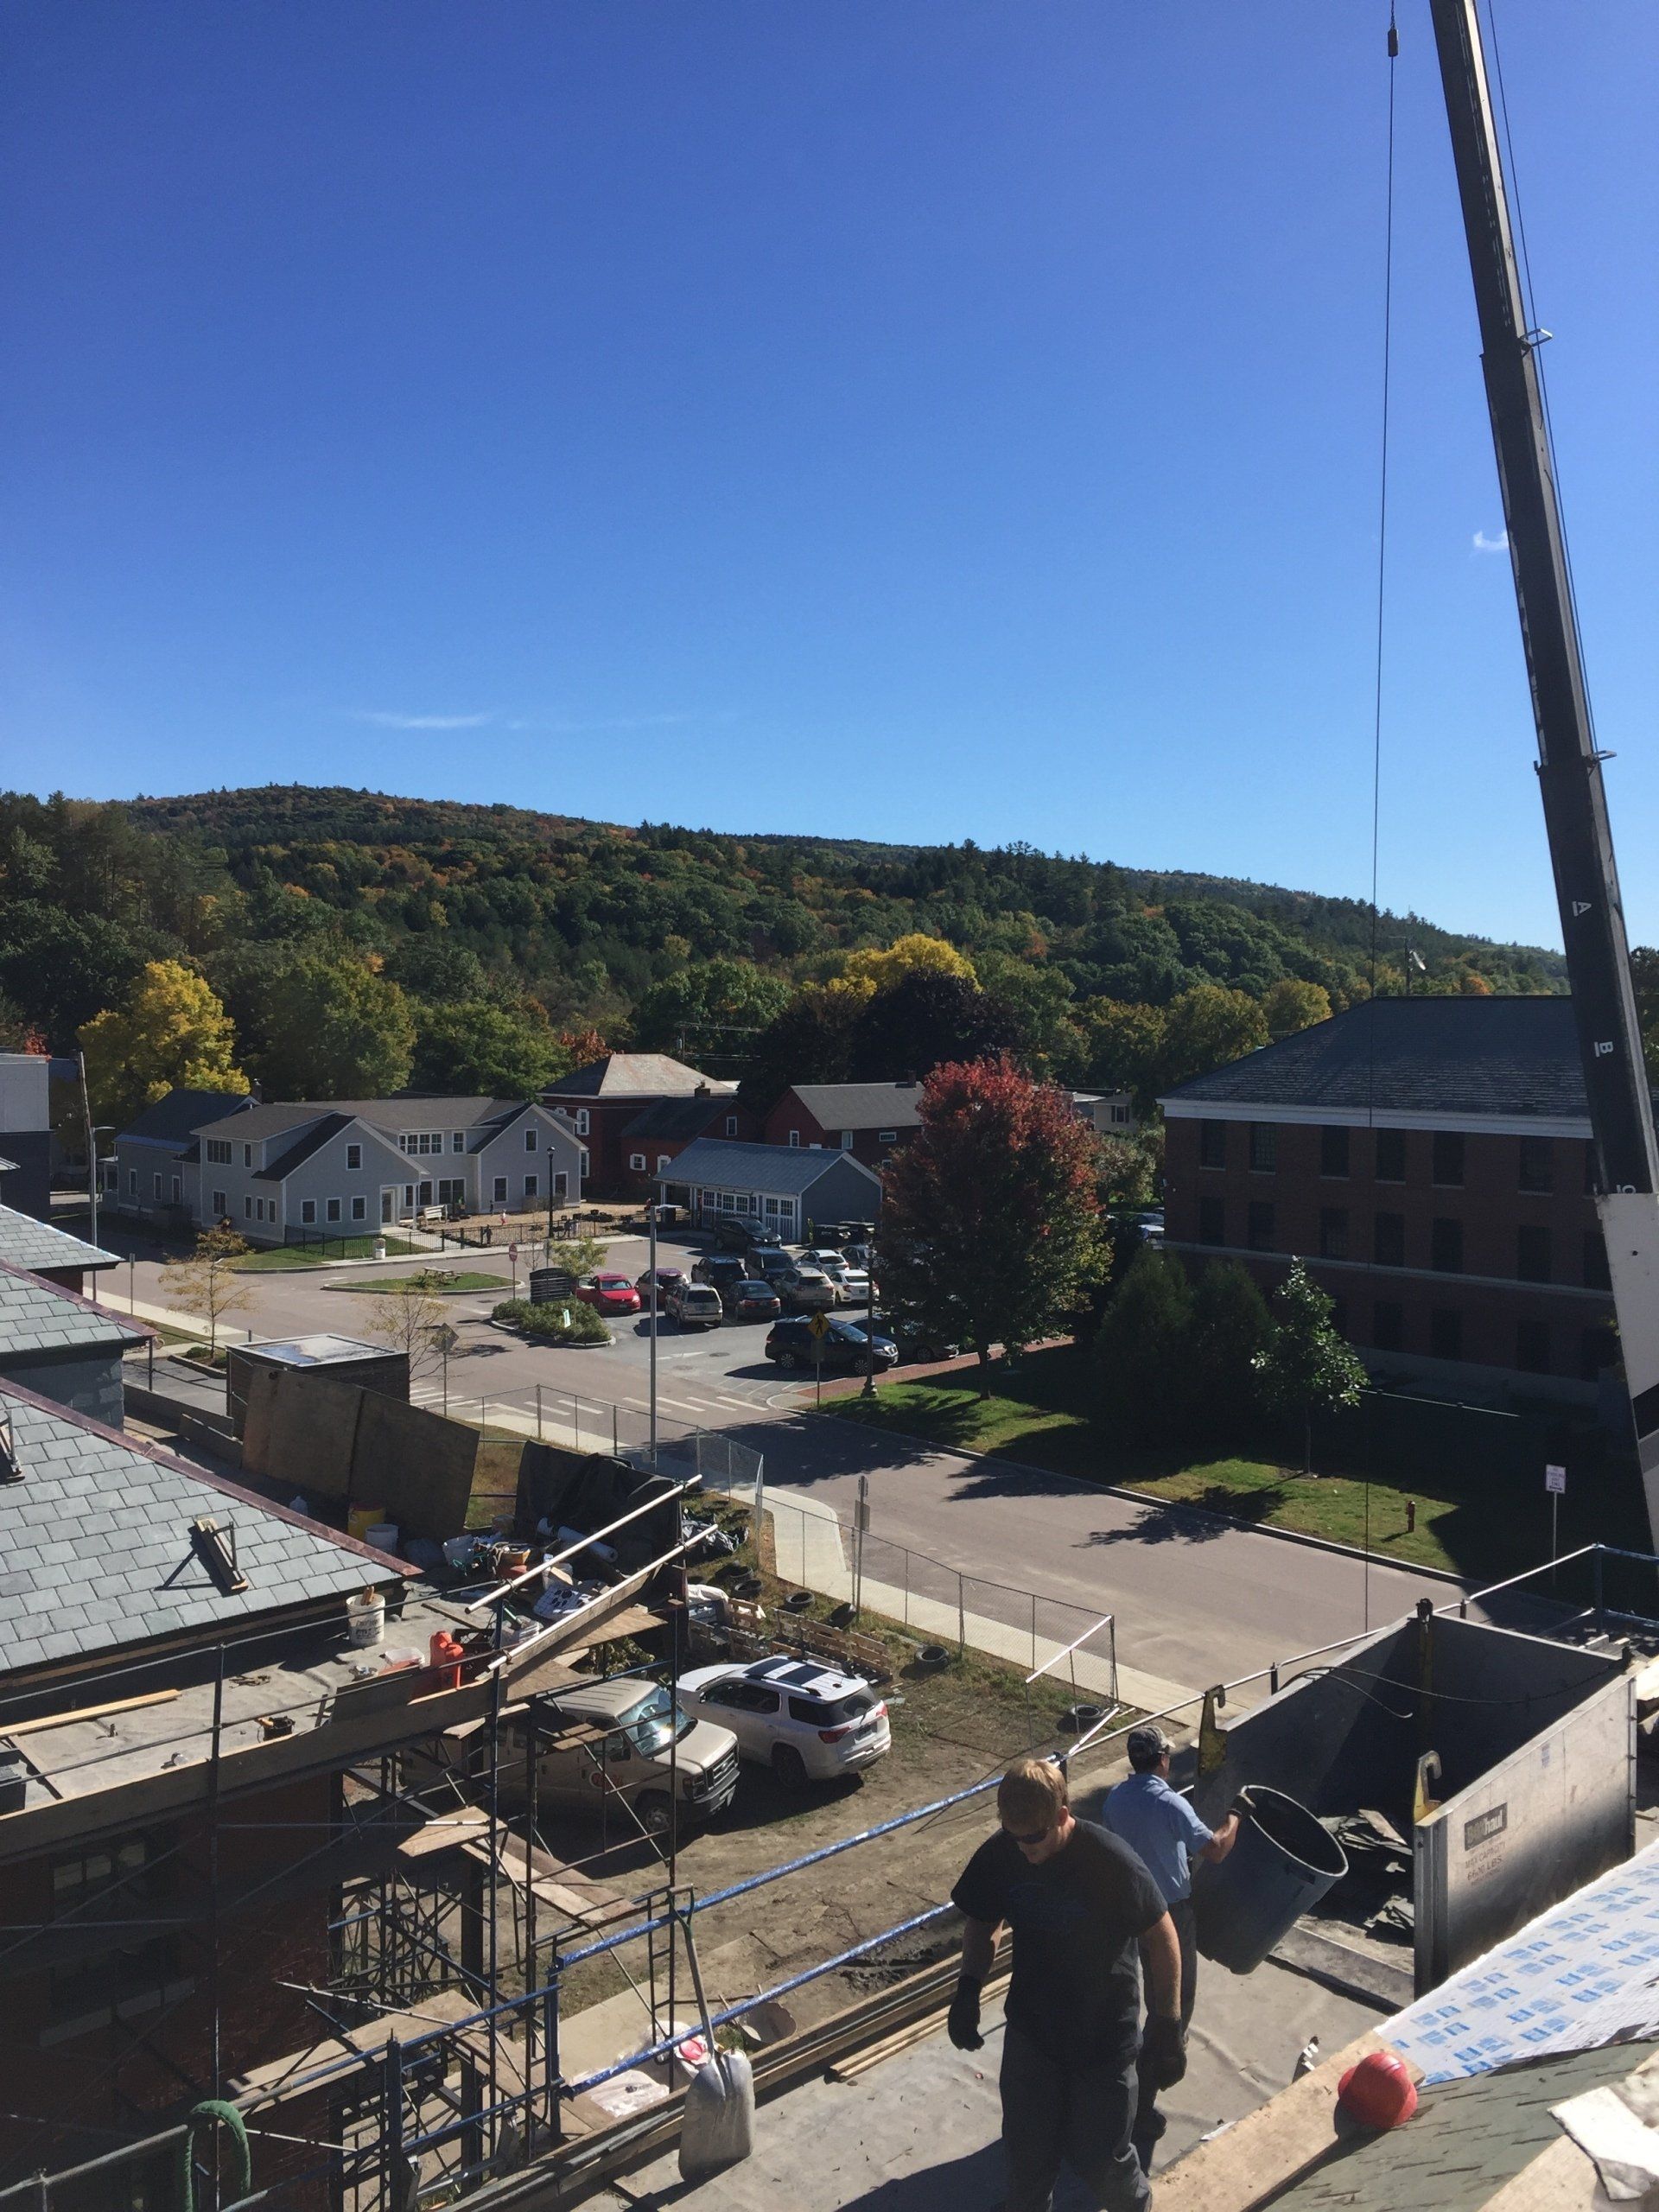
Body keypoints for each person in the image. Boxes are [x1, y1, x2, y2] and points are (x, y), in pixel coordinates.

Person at [949, 1755, 1185, 2212]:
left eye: (1034, 1838)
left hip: (1102, 2041)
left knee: (1104, 2160)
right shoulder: (1005, 1851)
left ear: (1061, 1815)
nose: (1024, 1850)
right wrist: (968, 1989)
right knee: (1026, 2155)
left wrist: (1167, 2024)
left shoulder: (1111, 1862)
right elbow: (983, 1920)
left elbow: (1163, 1936)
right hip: (1034, 2036)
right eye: (1014, 1837)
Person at [1101, 1724, 1245, 2172]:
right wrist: (1237, 1814)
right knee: (1173, 2008)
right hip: (1170, 1915)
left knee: (1139, 2002)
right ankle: (1141, 2108)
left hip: (1131, 1911)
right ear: (1162, 1759)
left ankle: (1126, 2091)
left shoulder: (1114, 1800)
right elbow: (1217, 1850)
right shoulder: (1169, 1801)